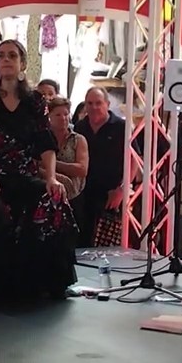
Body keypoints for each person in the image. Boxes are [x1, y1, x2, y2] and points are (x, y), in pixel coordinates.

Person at [0, 39, 76, 299]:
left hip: (24, 174)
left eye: (12, 55)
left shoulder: (34, 101)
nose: (6, 60)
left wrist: (53, 178)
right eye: (1, 56)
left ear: (22, 62)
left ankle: (43, 278)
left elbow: (45, 143)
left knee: (52, 200)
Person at [73, 87, 125, 246]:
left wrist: (122, 189)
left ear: (107, 104)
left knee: (107, 246)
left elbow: (134, 160)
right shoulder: (80, 127)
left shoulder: (121, 127)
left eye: (98, 103)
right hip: (83, 193)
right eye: (90, 103)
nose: (94, 107)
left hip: (110, 196)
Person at [48, 96, 88, 201]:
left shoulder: (78, 139)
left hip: (74, 197)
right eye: (58, 115)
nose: (63, 118)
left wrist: (51, 164)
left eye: (66, 114)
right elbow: (36, 166)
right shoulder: (43, 139)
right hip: (48, 194)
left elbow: (82, 170)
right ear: (49, 116)